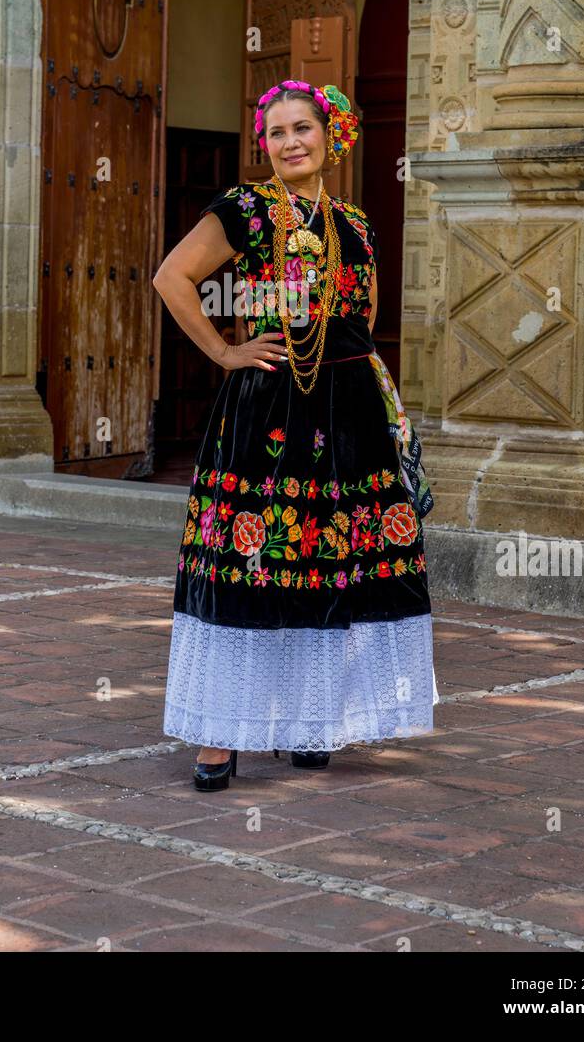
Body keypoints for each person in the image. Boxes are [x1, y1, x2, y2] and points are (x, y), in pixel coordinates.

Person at [152, 79, 438, 791]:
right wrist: (224, 352)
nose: (290, 142)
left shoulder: (358, 224)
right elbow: (172, 278)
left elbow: (361, 326)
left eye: (302, 128)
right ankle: (219, 738)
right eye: (276, 132)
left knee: (331, 559)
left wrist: (385, 409)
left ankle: (313, 722)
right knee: (249, 561)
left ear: (329, 137)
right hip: (269, 405)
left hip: (349, 411)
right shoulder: (244, 209)